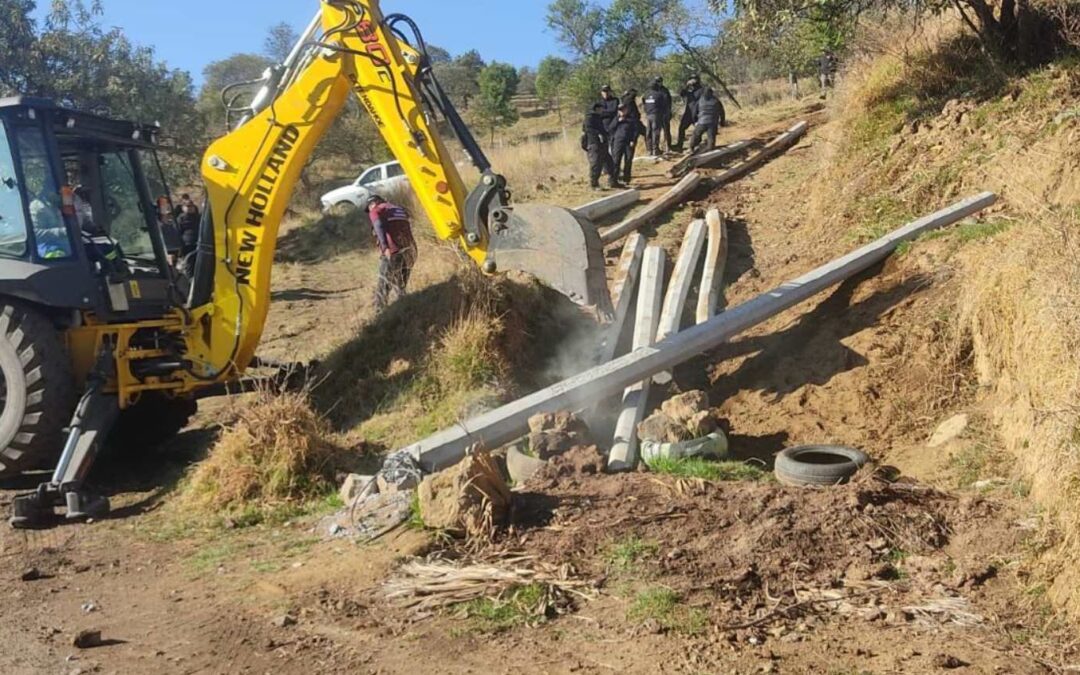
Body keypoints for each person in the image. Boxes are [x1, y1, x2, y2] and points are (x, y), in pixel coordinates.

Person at [366, 194, 417, 310]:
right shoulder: (398, 208)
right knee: (400, 285)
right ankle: (405, 310)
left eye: (368, 207)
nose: (369, 210)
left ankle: (380, 315)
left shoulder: (376, 210)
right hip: (411, 250)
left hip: (394, 251)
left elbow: (378, 225)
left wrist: (385, 247)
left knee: (383, 284)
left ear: (373, 204)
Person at [581, 103, 621, 190]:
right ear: (596, 109)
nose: (602, 111)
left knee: (609, 163)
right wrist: (598, 134)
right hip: (594, 144)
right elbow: (589, 129)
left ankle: (613, 181)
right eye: (600, 109)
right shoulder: (589, 118)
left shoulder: (597, 118)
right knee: (596, 164)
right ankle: (594, 185)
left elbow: (603, 129)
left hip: (602, 145)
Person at [610, 105, 646, 186]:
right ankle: (614, 180)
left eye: (623, 110)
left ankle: (626, 179)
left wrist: (633, 140)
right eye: (620, 110)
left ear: (627, 110)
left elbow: (636, 131)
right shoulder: (616, 119)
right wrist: (618, 121)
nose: (622, 112)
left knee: (628, 160)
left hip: (629, 142)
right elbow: (610, 129)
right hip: (618, 142)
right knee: (616, 160)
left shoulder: (632, 119)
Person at [643, 77, 672, 156]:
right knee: (655, 132)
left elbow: (644, 104)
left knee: (649, 132)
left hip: (648, 115)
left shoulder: (646, 94)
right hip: (657, 115)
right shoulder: (660, 94)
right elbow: (665, 104)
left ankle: (649, 150)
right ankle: (655, 150)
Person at [690, 88, 725, 153]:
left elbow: (694, 112)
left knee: (696, 135)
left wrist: (695, 121)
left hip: (701, 122)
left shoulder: (700, 100)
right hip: (712, 123)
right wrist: (722, 122)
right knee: (711, 139)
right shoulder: (716, 101)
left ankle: (692, 147)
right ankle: (708, 149)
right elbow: (722, 112)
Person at [675, 75, 703, 152]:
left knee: (698, 130)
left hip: (697, 113)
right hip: (688, 113)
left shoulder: (701, 90)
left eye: (694, 80)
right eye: (691, 80)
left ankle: (697, 145)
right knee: (681, 128)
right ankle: (679, 145)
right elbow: (682, 93)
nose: (692, 82)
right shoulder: (690, 91)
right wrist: (687, 85)